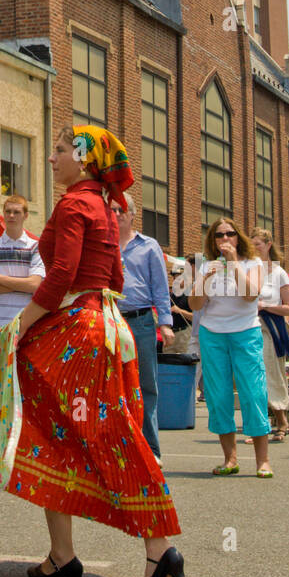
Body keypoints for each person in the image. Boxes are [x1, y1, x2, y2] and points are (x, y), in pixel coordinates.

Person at [11, 126, 183, 577]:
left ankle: (153, 545)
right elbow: (115, 276)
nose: (52, 158)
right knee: (87, 432)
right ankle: (66, 555)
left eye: (61, 150)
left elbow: (63, 272)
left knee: (70, 434)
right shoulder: (106, 207)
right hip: (109, 326)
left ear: (84, 160)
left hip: (76, 330)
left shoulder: (73, 203)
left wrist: (23, 323)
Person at [190, 216, 272, 477]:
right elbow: (194, 305)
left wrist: (234, 263)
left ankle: (263, 461)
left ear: (238, 238)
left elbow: (250, 295)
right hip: (213, 334)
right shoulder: (206, 266)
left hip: (245, 333)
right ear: (212, 240)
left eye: (230, 234)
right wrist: (204, 279)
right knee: (218, 395)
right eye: (219, 235)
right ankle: (230, 459)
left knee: (253, 392)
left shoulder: (253, 263)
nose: (225, 239)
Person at [110, 192, 174, 463]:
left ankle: (151, 450)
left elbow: (161, 288)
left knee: (146, 384)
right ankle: (118, 447)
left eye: (122, 209)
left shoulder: (149, 247)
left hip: (142, 321)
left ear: (133, 214)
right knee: (112, 384)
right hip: (110, 320)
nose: (117, 214)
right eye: (112, 209)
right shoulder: (102, 245)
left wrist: (167, 324)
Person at [250, 228, 289, 441]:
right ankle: (259, 425)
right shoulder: (247, 270)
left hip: (271, 329)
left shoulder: (278, 273)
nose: (254, 249)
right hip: (247, 328)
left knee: (270, 373)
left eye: (258, 244)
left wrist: (265, 306)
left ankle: (282, 419)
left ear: (268, 245)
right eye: (251, 245)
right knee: (250, 377)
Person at [0, 194, 45, 334]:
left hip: (25, 323)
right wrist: (25, 285)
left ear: (26, 216)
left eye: (17, 212)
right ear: (3, 214)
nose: (11, 215)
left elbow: (34, 285)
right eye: (8, 212)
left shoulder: (36, 247)